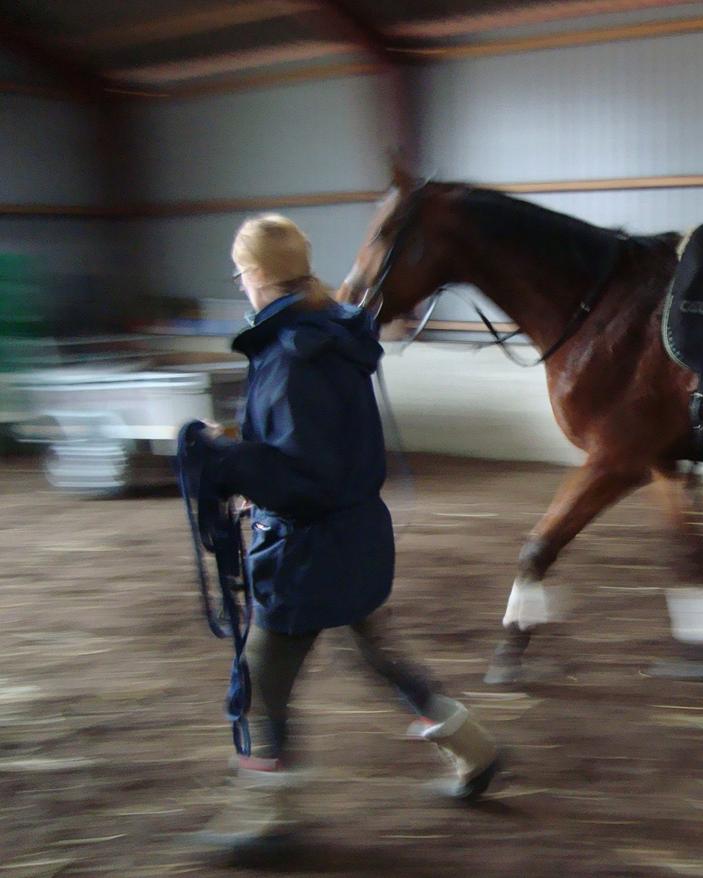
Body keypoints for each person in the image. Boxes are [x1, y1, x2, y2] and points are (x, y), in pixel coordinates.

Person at [186, 214, 500, 855]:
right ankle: (474, 749)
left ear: (252, 275)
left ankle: (265, 818)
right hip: (354, 539)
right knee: (377, 654)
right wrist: (245, 447)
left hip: (307, 551)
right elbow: (312, 450)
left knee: (259, 683)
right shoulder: (327, 336)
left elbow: (306, 475)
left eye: (240, 272)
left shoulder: (290, 356)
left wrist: (219, 459)